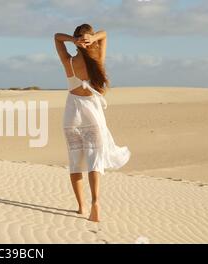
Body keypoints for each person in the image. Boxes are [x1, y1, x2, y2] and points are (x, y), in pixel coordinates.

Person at [54, 24, 131, 222]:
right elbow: (105, 35)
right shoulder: (97, 60)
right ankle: (95, 203)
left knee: (75, 162)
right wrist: (93, 37)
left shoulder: (68, 61)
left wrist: (72, 40)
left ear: (77, 41)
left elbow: (56, 37)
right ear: (89, 40)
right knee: (94, 160)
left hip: (72, 116)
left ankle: (81, 206)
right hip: (92, 116)